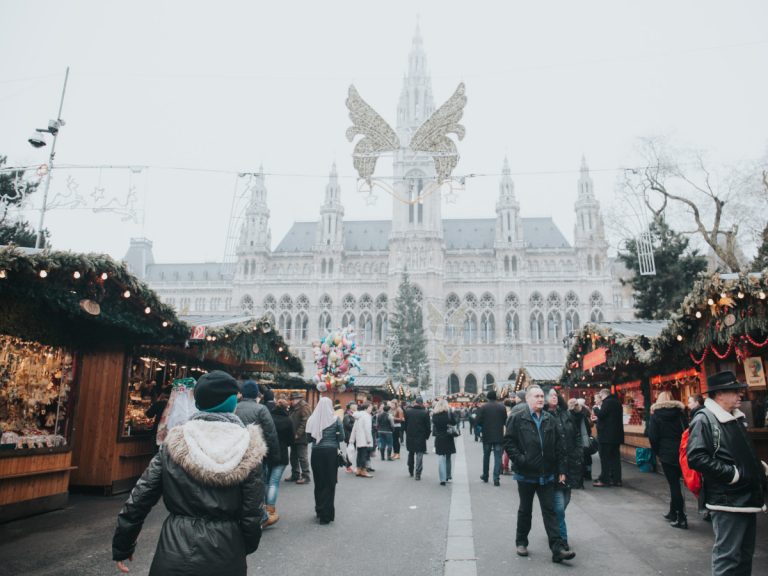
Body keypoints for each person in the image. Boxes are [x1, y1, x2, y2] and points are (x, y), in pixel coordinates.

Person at [112, 370, 265, 575]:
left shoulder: (175, 442)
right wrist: (242, 546)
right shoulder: (248, 447)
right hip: (226, 552)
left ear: (199, 403)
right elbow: (252, 512)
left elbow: (140, 497)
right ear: (231, 403)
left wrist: (123, 544)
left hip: (174, 549)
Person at [687, 371, 768, 576]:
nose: (740, 395)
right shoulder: (704, 419)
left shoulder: (734, 417)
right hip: (728, 499)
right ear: (719, 394)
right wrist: (734, 474)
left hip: (744, 497)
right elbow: (696, 457)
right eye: (735, 391)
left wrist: (757, 467)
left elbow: (736, 452)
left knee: (743, 556)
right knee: (729, 557)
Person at [504, 385, 575, 563]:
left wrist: (561, 470)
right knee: (525, 510)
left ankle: (558, 549)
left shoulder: (549, 419)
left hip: (547, 474)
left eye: (542, 396)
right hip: (526, 475)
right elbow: (509, 442)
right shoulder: (518, 418)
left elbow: (559, 446)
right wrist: (521, 460)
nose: (541, 399)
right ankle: (521, 542)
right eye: (536, 396)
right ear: (527, 399)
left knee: (550, 511)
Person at [647, 391, 688, 529]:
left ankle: (681, 517)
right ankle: (673, 512)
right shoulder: (680, 413)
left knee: (674, 484)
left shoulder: (656, 415)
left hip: (666, 451)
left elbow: (653, 436)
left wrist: (657, 451)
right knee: (676, 484)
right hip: (682, 451)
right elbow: (688, 431)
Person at [546, 389, 582, 549]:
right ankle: (562, 541)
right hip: (554, 468)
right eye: (550, 394)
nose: (554, 396)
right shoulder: (544, 416)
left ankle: (554, 526)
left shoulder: (566, 414)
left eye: (555, 394)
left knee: (565, 501)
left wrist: (578, 453)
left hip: (570, 465)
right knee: (559, 507)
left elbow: (577, 435)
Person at [306, 397, 344, 524]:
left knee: (319, 482)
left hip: (316, 453)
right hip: (331, 453)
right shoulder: (336, 420)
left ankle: (319, 509)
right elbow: (342, 438)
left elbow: (308, 439)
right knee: (330, 482)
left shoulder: (311, 419)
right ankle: (326, 515)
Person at [263, 394, 294, 528]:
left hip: (267, 452)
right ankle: (271, 509)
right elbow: (291, 441)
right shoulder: (288, 421)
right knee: (274, 483)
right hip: (281, 454)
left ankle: (263, 507)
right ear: (286, 408)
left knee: (266, 481)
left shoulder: (268, 418)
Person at [235, 380, 280, 469]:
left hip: (237, 452)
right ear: (256, 394)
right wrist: (274, 455)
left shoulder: (235, 408)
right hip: (256, 453)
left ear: (242, 393)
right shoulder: (261, 409)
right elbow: (270, 433)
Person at [593, 388, 624, 487]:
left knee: (605, 459)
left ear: (603, 395)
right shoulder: (617, 402)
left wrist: (595, 408)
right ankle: (617, 480)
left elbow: (601, 415)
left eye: (601, 397)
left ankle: (605, 480)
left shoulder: (607, 402)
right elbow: (608, 418)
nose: (600, 399)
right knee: (615, 459)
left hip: (606, 436)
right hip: (616, 436)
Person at [477, 389, 507, 486]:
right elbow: (505, 421)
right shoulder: (502, 407)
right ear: (496, 397)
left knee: (486, 456)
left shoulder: (483, 407)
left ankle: (485, 475)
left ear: (488, 397)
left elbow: (478, 421)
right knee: (498, 457)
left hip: (487, 436)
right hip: (498, 436)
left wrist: (484, 426)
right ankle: (496, 478)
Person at [287, 391, 312, 484]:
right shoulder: (294, 407)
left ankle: (306, 476)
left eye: (292, 400)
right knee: (293, 457)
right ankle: (295, 474)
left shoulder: (304, 407)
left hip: (301, 437)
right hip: (294, 436)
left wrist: (298, 433)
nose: (291, 401)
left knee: (302, 457)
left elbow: (305, 422)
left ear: (297, 399)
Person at [404, 396, 431, 480]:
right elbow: (428, 427)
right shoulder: (425, 412)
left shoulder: (408, 412)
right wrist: (426, 436)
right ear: (422, 403)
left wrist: (407, 432)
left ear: (415, 402)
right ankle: (418, 473)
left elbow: (405, 425)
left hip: (410, 435)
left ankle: (410, 470)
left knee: (411, 453)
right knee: (419, 454)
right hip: (421, 436)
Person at [567, 398, 592, 487]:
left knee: (571, 461)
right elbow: (588, 430)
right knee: (581, 461)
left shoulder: (567, 416)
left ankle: (572, 481)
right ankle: (580, 482)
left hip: (570, 441)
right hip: (580, 441)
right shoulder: (582, 415)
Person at [432, 399, 456, 485]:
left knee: (441, 458)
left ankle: (442, 479)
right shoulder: (449, 414)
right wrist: (452, 413)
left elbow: (434, 424)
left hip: (439, 438)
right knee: (448, 457)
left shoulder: (435, 415)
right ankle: (448, 476)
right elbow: (454, 423)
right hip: (448, 437)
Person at [349, 402, 375, 478]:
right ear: (366, 408)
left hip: (359, 438)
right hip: (365, 439)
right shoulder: (367, 416)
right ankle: (363, 470)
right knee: (364, 455)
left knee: (359, 455)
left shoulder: (358, 415)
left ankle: (358, 470)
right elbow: (367, 429)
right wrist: (369, 439)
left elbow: (354, 428)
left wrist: (352, 439)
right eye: (370, 408)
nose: (371, 409)